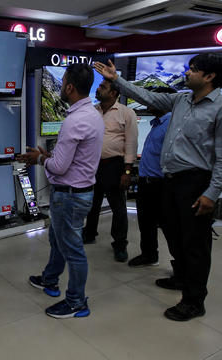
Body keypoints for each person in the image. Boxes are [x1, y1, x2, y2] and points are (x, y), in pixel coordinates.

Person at [94, 54, 222, 321]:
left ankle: (194, 301)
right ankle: (181, 277)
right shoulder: (181, 99)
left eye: (193, 69)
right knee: (174, 235)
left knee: (195, 244)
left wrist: (212, 193)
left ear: (209, 77)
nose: (187, 72)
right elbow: (147, 97)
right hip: (170, 181)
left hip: (197, 183)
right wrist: (117, 80)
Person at [17, 63, 104, 319]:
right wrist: (50, 156)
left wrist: (40, 159)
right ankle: (50, 279)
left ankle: (76, 301)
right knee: (58, 239)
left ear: (69, 87)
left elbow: (59, 166)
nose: (62, 86)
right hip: (79, 192)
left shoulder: (73, 121)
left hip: (69, 196)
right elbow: (73, 159)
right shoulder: (93, 115)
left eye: (64, 80)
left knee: (72, 249)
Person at [83, 80, 138, 263]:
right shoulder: (92, 110)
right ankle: (89, 233)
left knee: (118, 208)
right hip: (92, 165)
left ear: (114, 93)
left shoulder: (126, 113)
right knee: (92, 202)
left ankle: (120, 244)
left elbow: (131, 143)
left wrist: (128, 171)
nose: (97, 89)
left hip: (115, 166)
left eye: (102, 87)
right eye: (98, 87)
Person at [128, 87, 177, 268]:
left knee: (169, 227)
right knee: (146, 223)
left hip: (161, 184)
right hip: (146, 183)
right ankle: (149, 255)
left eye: (155, 99)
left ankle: (181, 269)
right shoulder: (158, 123)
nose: (149, 102)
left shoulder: (171, 124)